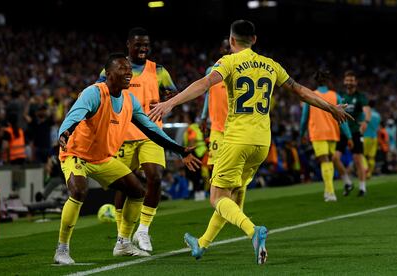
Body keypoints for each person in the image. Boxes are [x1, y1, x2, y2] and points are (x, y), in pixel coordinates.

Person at [149, 20, 352, 264]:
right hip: (262, 143)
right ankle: (201, 244)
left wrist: (170, 103)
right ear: (254, 39)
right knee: (232, 195)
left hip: (237, 139)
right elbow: (300, 91)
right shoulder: (271, 65)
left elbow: (205, 84)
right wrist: (331, 107)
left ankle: (252, 231)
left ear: (231, 41)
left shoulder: (228, 61)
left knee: (217, 197)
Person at [54, 53, 200, 265]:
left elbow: (151, 129)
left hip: (102, 158)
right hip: (75, 153)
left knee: (137, 191)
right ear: (109, 74)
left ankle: (123, 243)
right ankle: (62, 249)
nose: (129, 73)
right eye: (123, 69)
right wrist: (65, 132)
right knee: (78, 190)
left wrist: (179, 149)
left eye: (129, 70)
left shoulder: (129, 100)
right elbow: (74, 115)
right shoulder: (94, 93)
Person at [97, 27, 178, 252]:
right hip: (122, 136)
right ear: (128, 45)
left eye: (146, 45)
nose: (143, 48)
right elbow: (100, 94)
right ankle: (122, 237)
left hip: (151, 135)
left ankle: (143, 231)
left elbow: (173, 96)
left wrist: (166, 106)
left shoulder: (159, 70)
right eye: (138, 44)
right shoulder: (113, 70)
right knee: (125, 186)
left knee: (155, 176)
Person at [300, 70, 352, 202]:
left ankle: (330, 192)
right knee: (329, 160)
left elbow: (304, 118)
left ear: (316, 81)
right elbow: (342, 118)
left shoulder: (311, 96)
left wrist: (301, 134)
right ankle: (330, 191)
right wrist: (349, 136)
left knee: (324, 161)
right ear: (328, 81)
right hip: (332, 133)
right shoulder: (335, 95)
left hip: (317, 133)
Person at [332, 70, 371, 197]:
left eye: (351, 80)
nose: (349, 82)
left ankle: (362, 188)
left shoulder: (360, 97)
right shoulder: (341, 96)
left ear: (356, 82)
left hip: (355, 132)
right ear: (344, 81)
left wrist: (365, 121)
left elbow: (367, 110)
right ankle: (348, 182)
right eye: (347, 80)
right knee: (335, 158)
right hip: (343, 132)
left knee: (357, 159)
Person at [200, 38, 230, 171]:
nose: (229, 50)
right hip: (217, 127)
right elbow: (208, 94)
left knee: (232, 166)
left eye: (231, 47)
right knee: (213, 166)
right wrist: (203, 117)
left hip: (234, 127)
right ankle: (216, 192)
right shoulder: (211, 71)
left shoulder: (240, 72)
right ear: (221, 50)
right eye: (226, 47)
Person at [363, 100, 381, 178]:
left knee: (362, 155)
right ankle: (369, 173)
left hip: (366, 136)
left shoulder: (365, 114)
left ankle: (366, 169)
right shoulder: (377, 115)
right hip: (375, 137)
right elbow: (378, 127)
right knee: (371, 157)